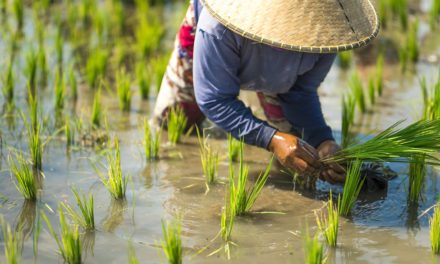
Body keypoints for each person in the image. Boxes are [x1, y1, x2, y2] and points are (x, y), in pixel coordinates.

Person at [153, 0, 379, 184]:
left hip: (279, 76)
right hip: (217, 41)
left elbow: (299, 92)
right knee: (173, 125)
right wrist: (270, 138)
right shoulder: (216, 25)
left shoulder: (328, 33)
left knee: (298, 158)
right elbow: (213, 98)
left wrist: (322, 140)